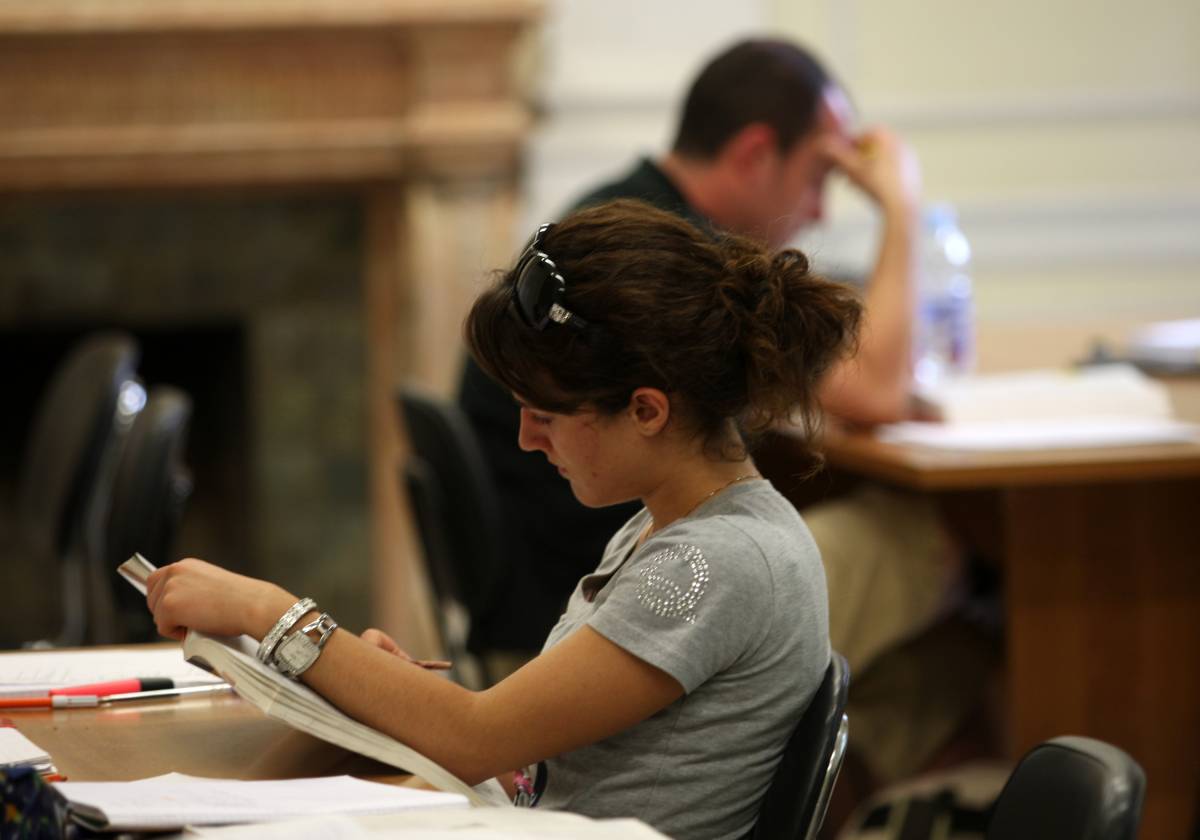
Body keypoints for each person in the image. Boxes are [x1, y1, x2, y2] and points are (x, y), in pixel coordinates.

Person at [145, 199, 862, 839]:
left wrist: (270, 611)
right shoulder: (670, 525)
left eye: (545, 414)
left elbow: (479, 738)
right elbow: (536, 750)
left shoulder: (713, 564)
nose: (524, 439)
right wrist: (392, 693)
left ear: (647, 410)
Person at [461, 38, 973, 788]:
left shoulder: (626, 215)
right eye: (820, 176)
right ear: (756, 152)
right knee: (937, 543)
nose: (823, 208)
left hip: (537, 579)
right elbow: (875, 392)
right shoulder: (667, 263)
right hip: (572, 578)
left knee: (935, 660)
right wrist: (901, 203)